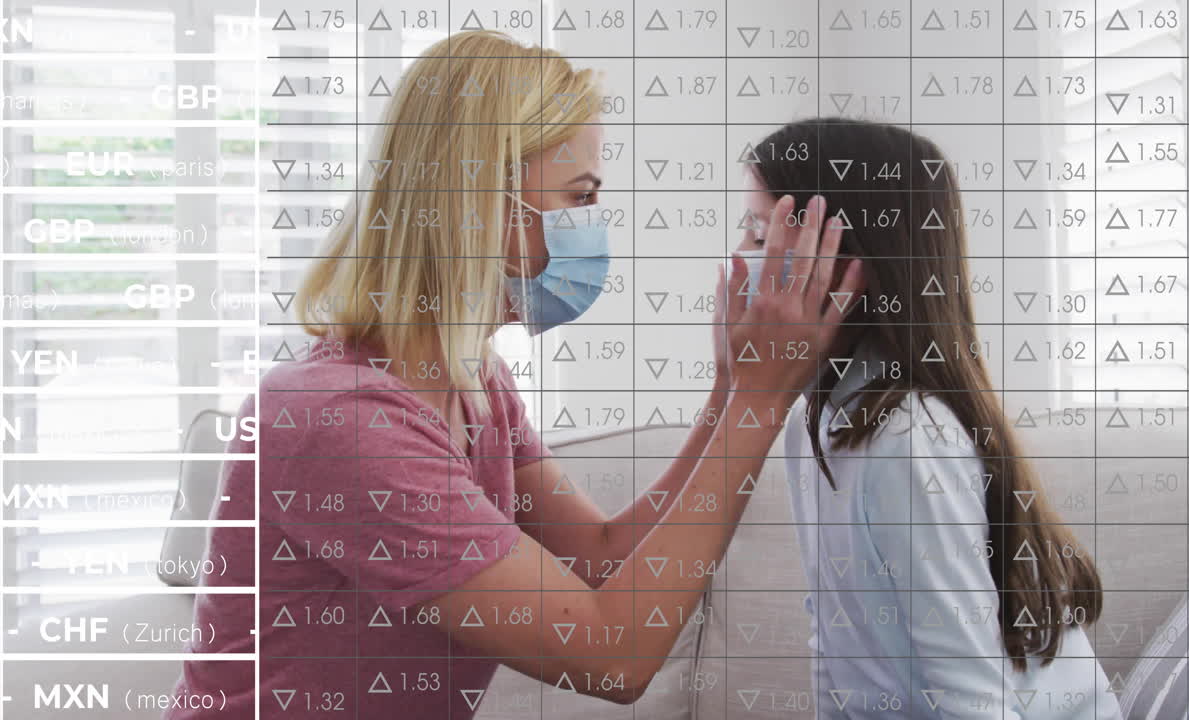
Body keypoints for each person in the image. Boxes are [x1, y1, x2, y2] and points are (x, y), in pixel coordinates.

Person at [164, 32, 862, 718]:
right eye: (579, 197)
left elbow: (601, 556)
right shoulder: (336, 419)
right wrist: (761, 404)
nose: (594, 225)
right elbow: (610, 656)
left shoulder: (476, 385)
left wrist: (731, 387)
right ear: (478, 202)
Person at [733, 118, 1124, 719]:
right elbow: (834, 650)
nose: (741, 260)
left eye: (762, 237)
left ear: (845, 264)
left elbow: (971, 700)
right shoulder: (813, 423)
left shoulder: (907, 441)